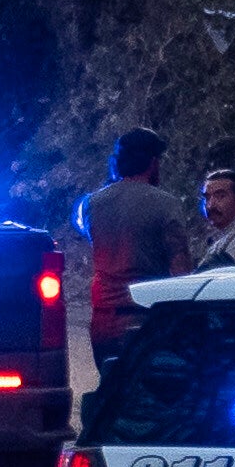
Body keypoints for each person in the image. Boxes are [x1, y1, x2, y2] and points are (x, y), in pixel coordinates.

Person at [66, 127, 188, 420]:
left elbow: (81, 224)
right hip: (145, 321)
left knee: (112, 396)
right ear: (152, 162)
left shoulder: (91, 204)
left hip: (103, 321)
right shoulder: (167, 204)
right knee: (148, 405)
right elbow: (182, 273)